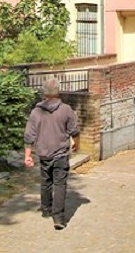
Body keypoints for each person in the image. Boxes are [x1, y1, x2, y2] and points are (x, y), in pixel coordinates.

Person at [24, 77, 80, 230]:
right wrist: (77, 144)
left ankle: (46, 209)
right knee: (60, 184)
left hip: (43, 153)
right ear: (58, 92)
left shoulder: (36, 112)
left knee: (45, 181)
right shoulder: (66, 110)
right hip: (61, 153)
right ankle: (58, 218)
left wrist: (27, 155)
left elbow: (29, 135)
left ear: (44, 93)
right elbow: (74, 131)